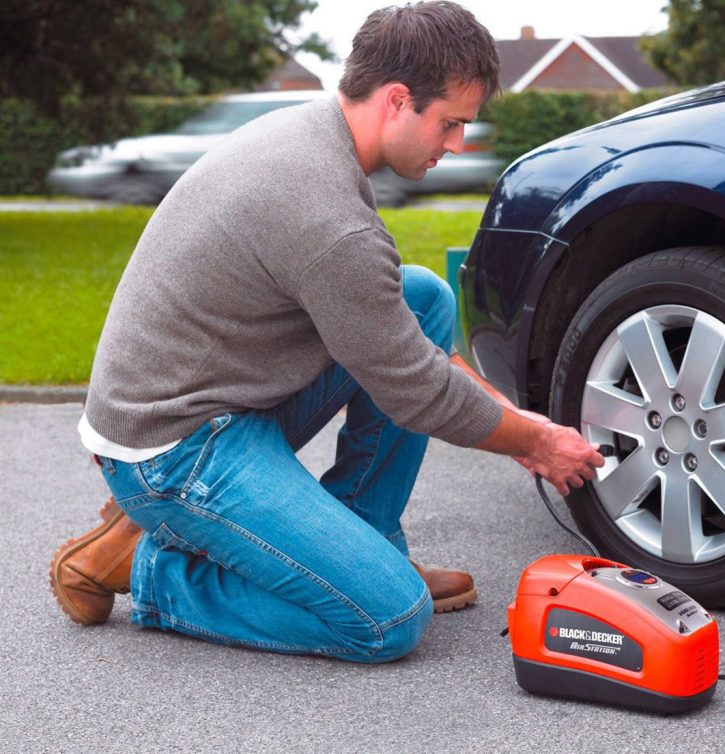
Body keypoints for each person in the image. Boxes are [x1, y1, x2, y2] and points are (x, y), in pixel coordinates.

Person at [48, 1, 602, 663]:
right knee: (390, 618)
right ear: (398, 100)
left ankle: (360, 544)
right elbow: (418, 392)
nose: (456, 144)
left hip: (213, 399)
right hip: (172, 450)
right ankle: (154, 572)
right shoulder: (328, 218)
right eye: (450, 123)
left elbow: (396, 342)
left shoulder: (313, 132)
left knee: (420, 296)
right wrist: (536, 440)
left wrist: (505, 416)